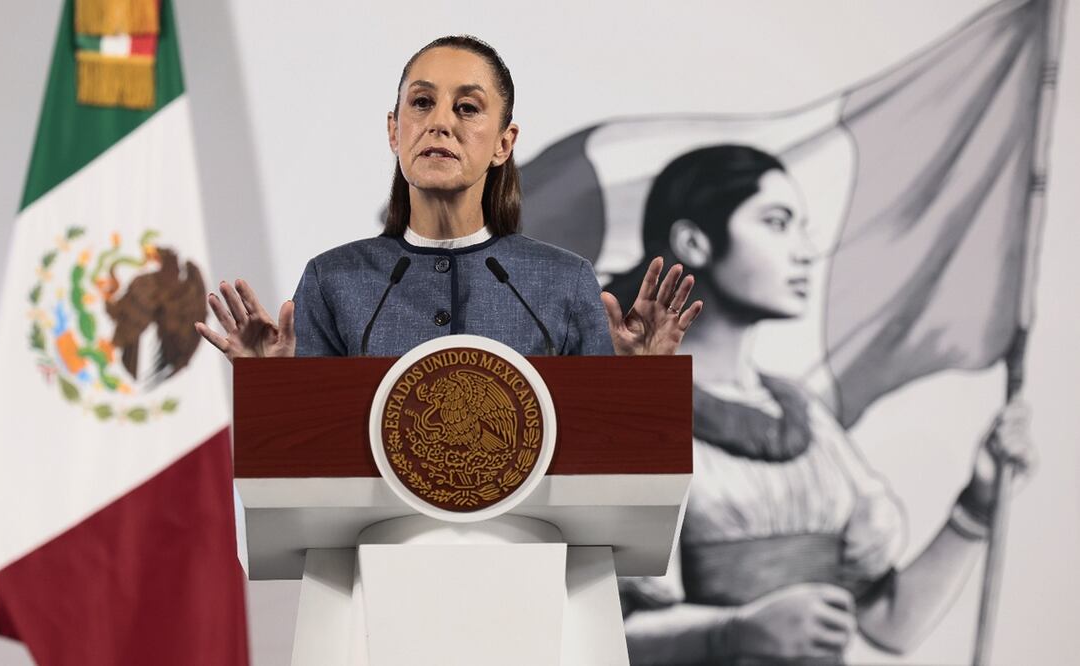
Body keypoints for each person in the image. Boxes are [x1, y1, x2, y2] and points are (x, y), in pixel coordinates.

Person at [610, 145, 1035, 664]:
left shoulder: (805, 416)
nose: (807, 250)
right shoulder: (628, 413)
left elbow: (889, 623)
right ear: (694, 242)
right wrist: (733, 633)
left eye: (802, 226)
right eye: (777, 223)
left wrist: (979, 502)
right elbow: (598, 633)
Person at [194, 35, 702, 360]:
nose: (439, 122)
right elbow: (304, 465)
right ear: (395, 132)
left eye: (466, 107)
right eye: (421, 103)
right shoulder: (334, 281)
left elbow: (607, 455)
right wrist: (273, 389)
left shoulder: (563, 281)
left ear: (505, 143)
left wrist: (642, 377)